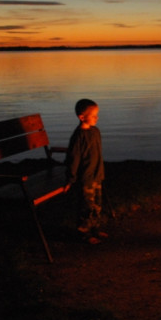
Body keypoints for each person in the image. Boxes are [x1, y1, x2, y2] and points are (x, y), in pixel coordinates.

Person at [65, 98, 107, 244]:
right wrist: (71, 178)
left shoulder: (95, 131)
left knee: (97, 205)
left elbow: (98, 153)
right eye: (93, 115)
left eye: (97, 114)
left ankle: (95, 228)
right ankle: (84, 233)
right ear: (82, 117)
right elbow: (73, 159)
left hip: (96, 174)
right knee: (86, 207)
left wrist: (100, 171)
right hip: (86, 177)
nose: (97, 118)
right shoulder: (78, 137)